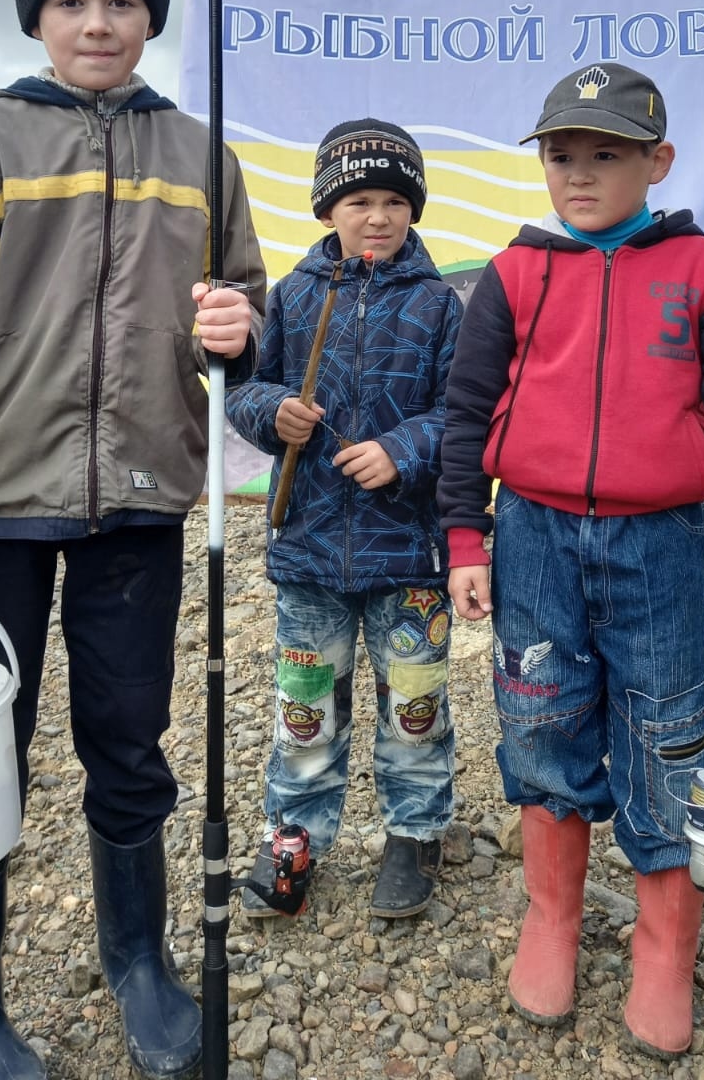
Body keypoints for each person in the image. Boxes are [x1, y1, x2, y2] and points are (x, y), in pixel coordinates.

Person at [0, 0, 265, 1080]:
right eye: (71, 2)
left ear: (150, 15)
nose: (98, 22)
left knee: (128, 742)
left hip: (140, 507)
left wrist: (237, 328)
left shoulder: (201, 151)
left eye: (122, 2)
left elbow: (245, 310)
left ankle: (138, 962)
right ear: (36, 17)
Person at [439, 62, 704, 1058]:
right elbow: (465, 416)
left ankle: (663, 944)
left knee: (669, 733)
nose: (578, 173)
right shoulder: (514, 272)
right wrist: (464, 538)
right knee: (539, 715)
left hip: (658, 544)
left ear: (659, 161)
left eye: (605, 155)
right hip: (530, 536)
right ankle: (553, 916)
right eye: (562, 154)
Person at [226, 120, 464, 919]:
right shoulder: (292, 297)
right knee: (306, 712)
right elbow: (246, 391)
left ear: (414, 211)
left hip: (411, 557)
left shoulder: (440, 304)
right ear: (329, 207)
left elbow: (464, 414)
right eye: (359, 199)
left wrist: (403, 448)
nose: (378, 216)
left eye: (395, 200)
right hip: (309, 554)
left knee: (414, 707)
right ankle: (293, 838)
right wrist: (275, 414)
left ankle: (413, 835)